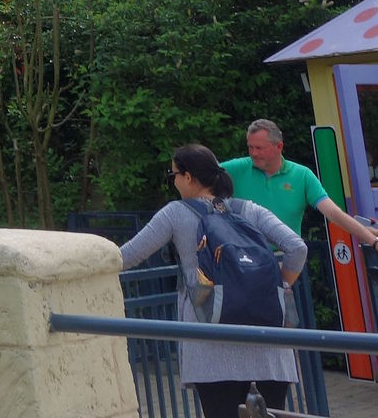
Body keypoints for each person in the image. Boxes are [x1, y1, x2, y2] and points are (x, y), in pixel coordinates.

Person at [118, 145, 308, 418]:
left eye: (173, 175)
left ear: (188, 177)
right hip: (269, 348)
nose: (173, 182)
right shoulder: (249, 209)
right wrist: (280, 283)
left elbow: (126, 256)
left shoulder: (175, 213)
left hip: (211, 347)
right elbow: (297, 248)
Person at [220, 118, 378, 244]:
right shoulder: (237, 168)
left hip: (288, 258)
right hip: (244, 258)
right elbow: (204, 173)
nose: (253, 153)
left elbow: (333, 213)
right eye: (250, 147)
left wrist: (374, 241)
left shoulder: (302, 175)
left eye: (259, 148)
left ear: (279, 146)